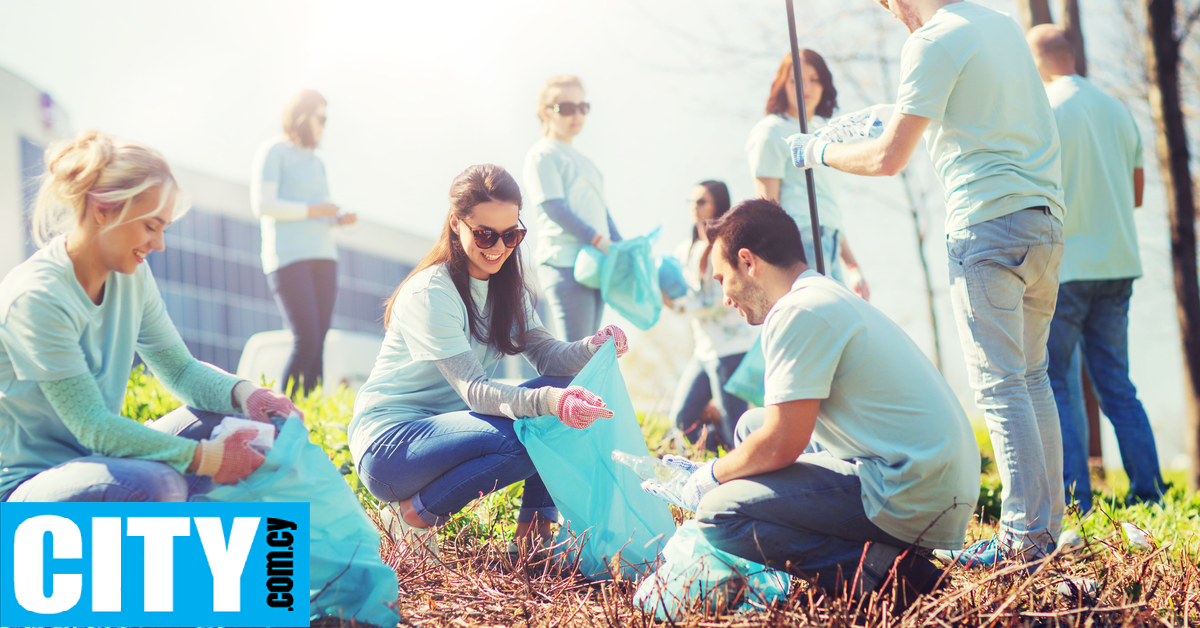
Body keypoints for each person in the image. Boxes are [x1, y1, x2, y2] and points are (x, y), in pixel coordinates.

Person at [787, 0, 1066, 567]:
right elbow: (982, 110)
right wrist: (901, 109)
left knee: (1001, 384)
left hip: (985, 226)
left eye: (890, 4)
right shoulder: (1001, 26)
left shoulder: (932, 40)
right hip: (1044, 222)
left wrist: (819, 150)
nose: (893, 14)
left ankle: (1021, 541)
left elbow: (889, 157)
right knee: (1032, 379)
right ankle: (1043, 532)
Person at [642, 200, 978, 608]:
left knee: (718, 512)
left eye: (721, 278)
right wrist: (722, 470)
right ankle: (875, 555)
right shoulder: (820, 295)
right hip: (928, 476)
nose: (724, 296)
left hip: (911, 489)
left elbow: (782, 444)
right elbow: (771, 434)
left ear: (747, 262)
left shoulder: (798, 311)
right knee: (750, 425)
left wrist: (709, 476)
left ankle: (887, 573)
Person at [0, 130, 302, 503]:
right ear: (103, 209)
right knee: (157, 484)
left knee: (244, 427)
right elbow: (93, 426)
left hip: (100, 462)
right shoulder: (38, 297)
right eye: (150, 226)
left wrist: (248, 395)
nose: (158, 244)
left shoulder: (132, 275)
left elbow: (179, 370)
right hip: (26, 488)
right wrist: (206, 459)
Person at [349, 164, 628, 556]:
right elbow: (476, 391)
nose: (498, 247)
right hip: (390, 449)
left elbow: (548, 355)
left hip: (448, 435)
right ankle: (413, 514)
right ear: (455, 223)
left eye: (511, 235)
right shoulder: (432, 292)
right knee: (533, 432)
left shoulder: (508, 289)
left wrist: (591, 347)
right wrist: (549, 403)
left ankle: (533, 537)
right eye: (484, 234)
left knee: (565, 395)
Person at [1027, 25, 1165, 513]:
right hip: (1119, 265)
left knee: (1057, 382)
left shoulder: (1044, 110)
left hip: (1067, 268)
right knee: (1117, 384)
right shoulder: (1118, 110)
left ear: (1037, 61)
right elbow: (1138, 195)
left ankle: (1076, 499)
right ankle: (1150, 495)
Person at [251, 89, 357, 396]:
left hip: (324, 256)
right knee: (306, 338)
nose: (324, 125)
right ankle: (283, 415)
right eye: (320, 118)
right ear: (301, 117)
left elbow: (321, 211)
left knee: (319, 340)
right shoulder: (274, 151)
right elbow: (263, 204)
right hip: (288, 258)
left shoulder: (317, 162)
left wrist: (337, 218)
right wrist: (314, 210)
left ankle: (309, 418)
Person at [746, 50, 868, 297]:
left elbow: (828, 208)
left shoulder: (824, 136)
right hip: (799, 241)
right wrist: (781, 262)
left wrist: (852, 265)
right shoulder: (771, 131)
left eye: (814, 79)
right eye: (796, 80)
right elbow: (767, 207)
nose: (806, 87)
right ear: (783, 84)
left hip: (830, 241)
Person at [523, 75, 623, 341]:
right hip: (564, 262)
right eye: (567, 108)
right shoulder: (542, 153)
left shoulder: (587, 162)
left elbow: (602, 212)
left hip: (597, 263)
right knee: (575, 354)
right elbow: (553, 207)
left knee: (590, 352)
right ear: (546, 112)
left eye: (582, 107)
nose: (577, 114)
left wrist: (621, 246)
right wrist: (599, 240)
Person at [665, 181, 758, 451]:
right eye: (691, 201)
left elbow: (722, 299)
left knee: (736, 427)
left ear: (718, 204)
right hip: (704, 350)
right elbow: (678, 288)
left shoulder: (728, 247)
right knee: (682, 420)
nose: (694, 208)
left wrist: (682, 307)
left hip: (731, 349)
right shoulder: (685, 250)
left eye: (702, 201)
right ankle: (721, 464)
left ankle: (745, 473)